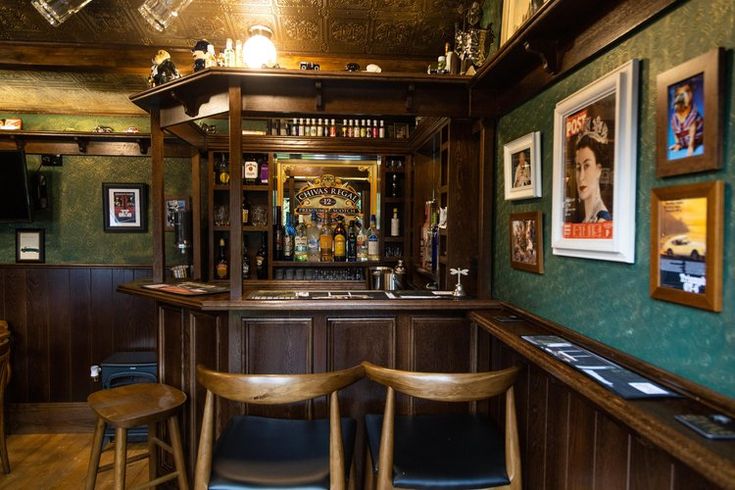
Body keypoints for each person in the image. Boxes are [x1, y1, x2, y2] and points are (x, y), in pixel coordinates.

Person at [574, 133, 611, 223]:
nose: (581, 177)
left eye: (587, 166)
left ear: (598, 170)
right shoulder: (585, 220)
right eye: (578, 168)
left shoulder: (602, 220)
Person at [669, 81, 703, 156]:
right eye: (679, 94)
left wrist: (691, 147)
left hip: (697, 141)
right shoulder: (674, 118)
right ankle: (679, 144)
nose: (683, 96)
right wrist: (678, 143)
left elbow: (693, 133)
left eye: (687, 91)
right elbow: (675, 132)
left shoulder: (694, 115)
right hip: (683, 142)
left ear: (692, 93)